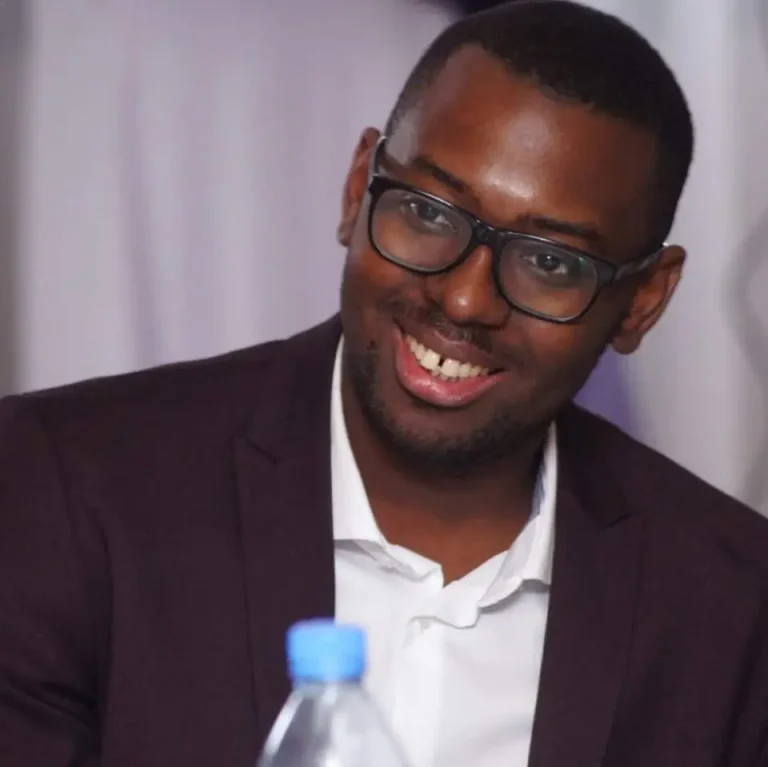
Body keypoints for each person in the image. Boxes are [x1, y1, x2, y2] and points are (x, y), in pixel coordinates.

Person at [1, 1, 767, 765]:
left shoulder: (734, 606)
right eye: (428, 213)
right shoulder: (67, 490)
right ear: (356, 189)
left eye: (549, 261)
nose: (464, 300)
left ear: (642, 300)